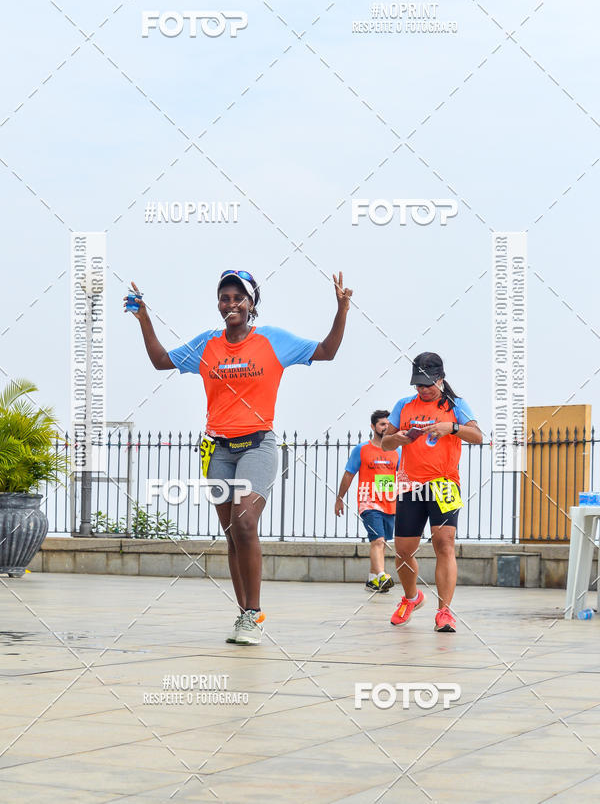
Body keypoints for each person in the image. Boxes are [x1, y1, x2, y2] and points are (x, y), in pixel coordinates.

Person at [125, 270, 352, 645]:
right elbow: (161, 360)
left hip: (258, 445)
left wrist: (341, 309)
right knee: (232, 533)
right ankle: (243, 612)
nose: (231, 303)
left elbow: (326, 351)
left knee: (246, 522)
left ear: (251, 304)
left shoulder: (272, 340)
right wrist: (144, 318)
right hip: (218, 450)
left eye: (238, 297)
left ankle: (253, 612)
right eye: (224, 297)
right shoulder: (207, 345)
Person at [382, 352, 482, 632]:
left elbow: (478, 437)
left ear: (440, 379)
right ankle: (412, 598)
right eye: (418, 385)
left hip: (444, 484)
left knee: (445, 545)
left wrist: (450, 427)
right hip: (410, 485)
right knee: (403, 550)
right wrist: (397, 437)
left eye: (428, 384)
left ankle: (444, 612)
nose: (423, 390)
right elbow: (385, 445)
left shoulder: (456, 405)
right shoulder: (404, 405)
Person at [334, 410, 398, 592]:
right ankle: (381, 576)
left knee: (382, 541)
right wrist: (339, 499)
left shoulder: (397, 451)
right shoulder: (362, 450)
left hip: (390, 503)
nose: (386, 427)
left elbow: (402, 477)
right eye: (382, 424)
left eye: (388, 424)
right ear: (373, 426)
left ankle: (372, 579)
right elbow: (348, 474)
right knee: (377, 540)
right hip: (369, 503)